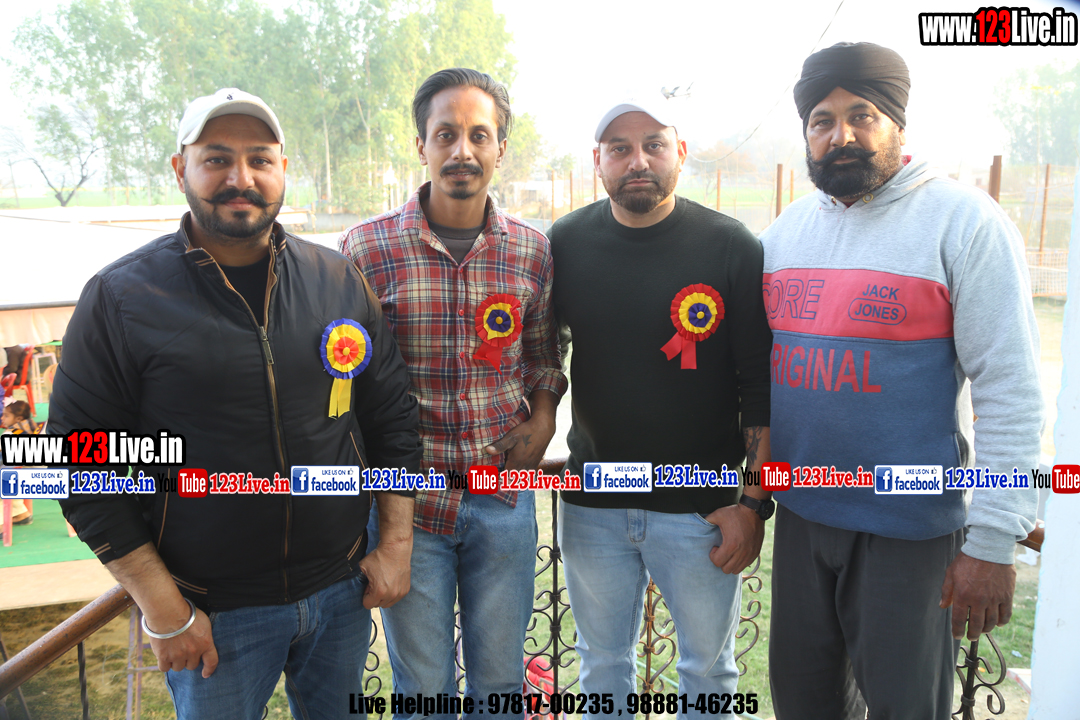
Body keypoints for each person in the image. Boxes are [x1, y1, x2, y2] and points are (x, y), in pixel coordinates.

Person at [51, 87, 422, 720]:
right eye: (217, 159)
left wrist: (396, 543)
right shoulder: (121, 298)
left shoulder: (336, 279)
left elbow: (390, 418)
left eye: (260, 159)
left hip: (342, 590)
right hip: (210, 612)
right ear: (181, 169)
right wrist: (165, 609)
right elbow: (78, 466)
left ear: (284, 169)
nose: (241, 178)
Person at [760, 42, 1042, 720]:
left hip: (908, 531)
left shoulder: (964, 222)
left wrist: (993, 542)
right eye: (822, 121)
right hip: (801, 520)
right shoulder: (785, 233)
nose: (841, 135)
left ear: (897, 123)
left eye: (862, 115)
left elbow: (1009, 389)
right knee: (802, 703)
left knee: (904, 709)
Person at [339, 68, 566, 715]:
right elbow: (346, 380)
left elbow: (544, 355)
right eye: (446, 134)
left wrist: (545, 415)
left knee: (501, 682)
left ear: (500, 148)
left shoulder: (531, 251)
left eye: (478, 135)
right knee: (424, 687)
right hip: (409, 510)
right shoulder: (367, 248)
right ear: (422, 146)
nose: (462, 150)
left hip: (502, 500)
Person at [548, 99, 773, 714]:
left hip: (703, 510)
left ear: (680, 152)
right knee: (601, 666)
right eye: (619, 148)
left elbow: (760, 385)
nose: (637, 160)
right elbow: (543, 354)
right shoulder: (565, 242)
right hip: (593, 506)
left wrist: (753, 504)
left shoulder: (730, 245)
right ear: (598, 160)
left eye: (653, 144)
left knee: (708, 671)